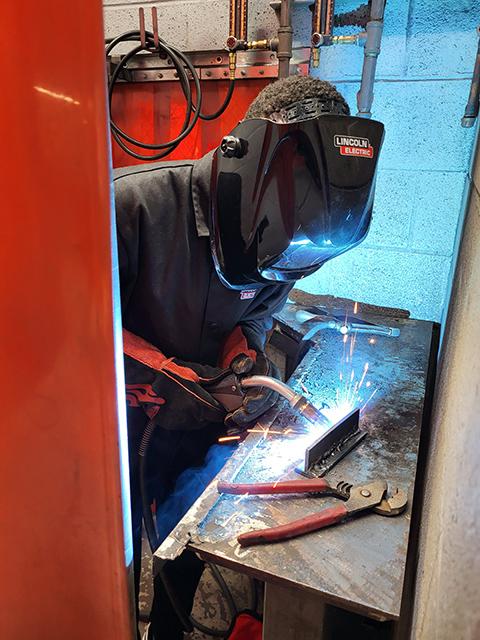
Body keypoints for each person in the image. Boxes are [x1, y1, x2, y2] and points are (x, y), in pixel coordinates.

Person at [114, 75, 382, 639]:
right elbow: (73, 324)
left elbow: (255, 313)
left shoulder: (291, 240)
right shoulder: (127, 206)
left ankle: (167, 629)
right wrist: (164, 374)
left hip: (198, 418)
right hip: (112, 423)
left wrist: (243, 358)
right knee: (110, 555)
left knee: (180, 532)